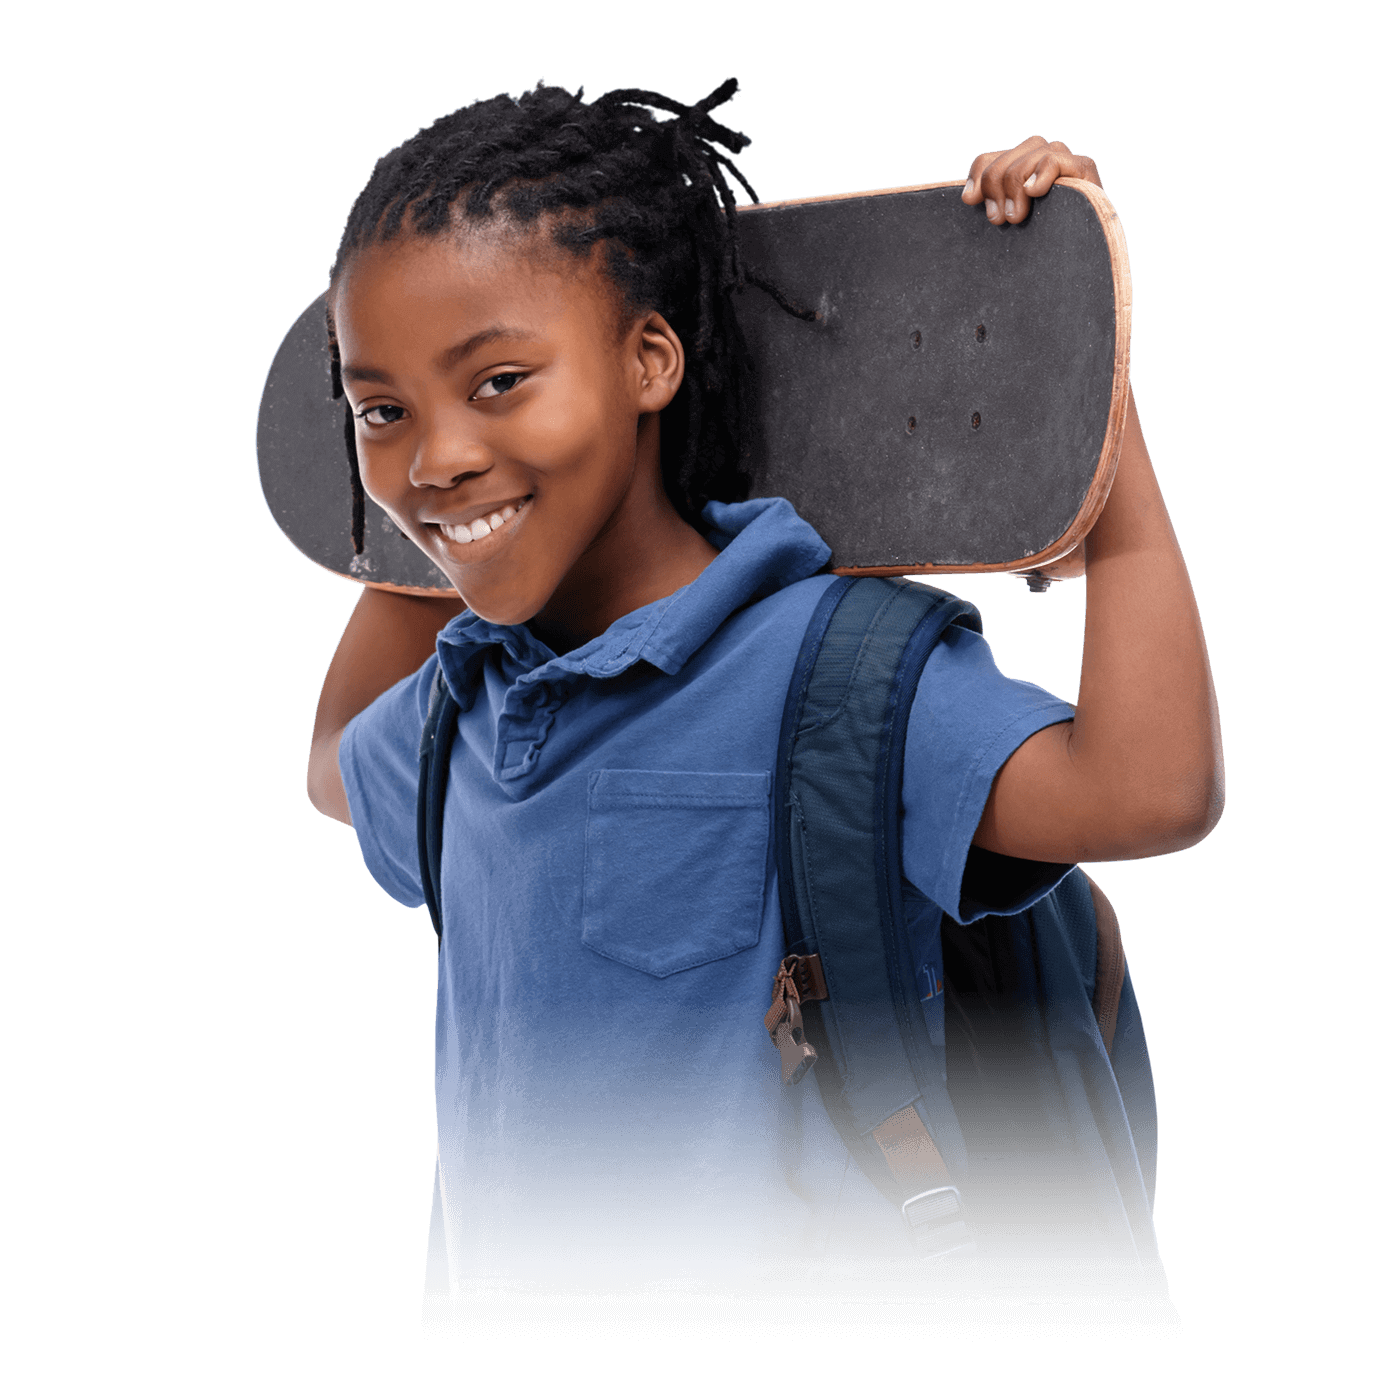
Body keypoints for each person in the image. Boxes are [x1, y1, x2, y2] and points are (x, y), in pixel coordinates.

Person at [304, 80, 1223, 1330]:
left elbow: (1147, 791)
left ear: (649, 359)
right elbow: (329, 762)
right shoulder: (459, 714)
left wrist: (1076, 368)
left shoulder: (827, 670)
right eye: (381, 410)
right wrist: (444, 537)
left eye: (500, 379)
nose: (432, 456)